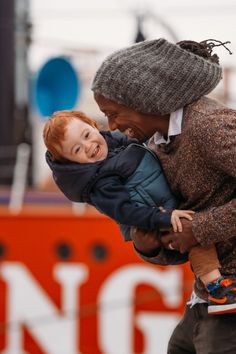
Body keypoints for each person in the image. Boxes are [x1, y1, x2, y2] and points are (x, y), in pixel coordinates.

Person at [90, 38, 236, 353]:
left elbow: (196, 228)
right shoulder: (157, 145)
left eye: (113, 113)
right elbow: (184, 231)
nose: (113, 127)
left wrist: (199, 228)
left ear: (143, 100)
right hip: (208, 296)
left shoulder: (209, 127)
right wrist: (151, 248)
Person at [44, 108, 235, 317]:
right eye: (77, 150)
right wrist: (162, 217)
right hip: (154, 215)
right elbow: (125, 212)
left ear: (92, 124)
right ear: (72, 163)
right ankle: (217, 288)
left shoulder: (115, 143)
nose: (89, 146)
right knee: (194, 238)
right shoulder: (101, 182)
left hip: (165, 199)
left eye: (87, 135)